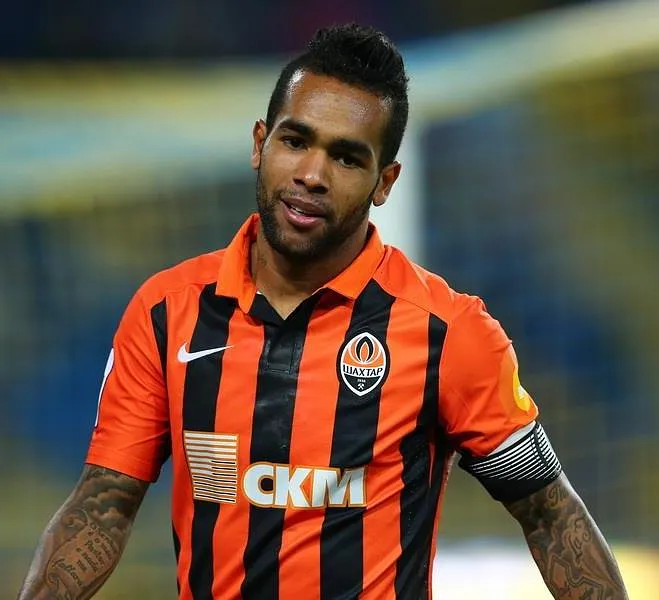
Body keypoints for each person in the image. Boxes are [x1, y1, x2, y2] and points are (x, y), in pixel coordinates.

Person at [18, 24, 628, 600]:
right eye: (295, 141)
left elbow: (549, 513)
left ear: (385, 182)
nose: (311, 174)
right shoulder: (166, 312)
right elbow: (102, 505)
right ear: (260, 143)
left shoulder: (449, 334)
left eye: (346, 158)